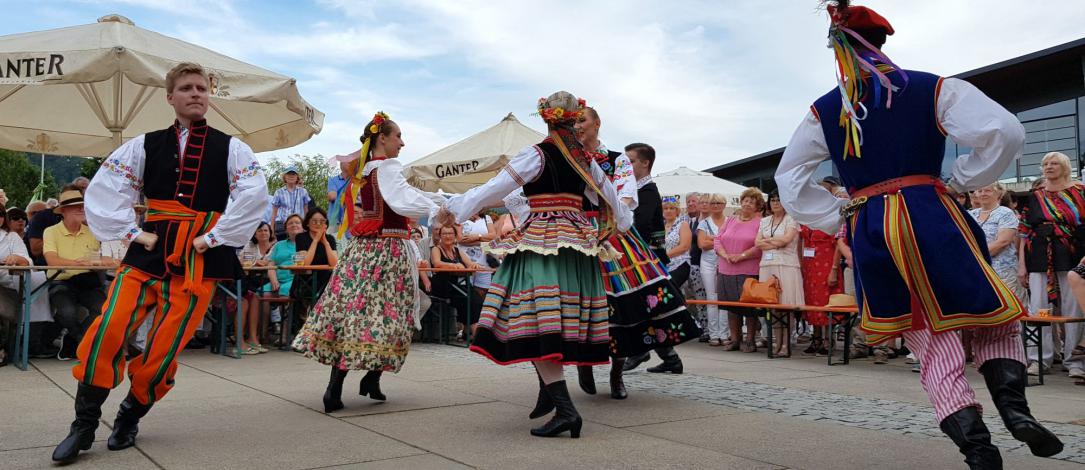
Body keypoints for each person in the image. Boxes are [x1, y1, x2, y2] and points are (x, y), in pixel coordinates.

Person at [774, 3, 1061, 467]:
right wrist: (961, 178)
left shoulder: (825, 110)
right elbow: (1007, 130)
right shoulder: (933, 88)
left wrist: (839, 217)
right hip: (934, 215)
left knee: (930, 342)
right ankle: (1016, 410)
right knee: (992, 317)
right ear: (882, 42)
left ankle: (978, 449)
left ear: (838, 50)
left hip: (871, 227)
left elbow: (789, 181)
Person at [52, 62, 267, 464]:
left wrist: (215, 237)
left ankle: (130, 415)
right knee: (108, 328)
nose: (197, 93)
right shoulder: (144, 144)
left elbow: (254, 195)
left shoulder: (232, 148)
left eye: (202, 88)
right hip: (149, 254)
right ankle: (82, 425)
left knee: (164, 350)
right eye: (187, 88)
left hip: (199, 259)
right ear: (170, 97)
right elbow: (105, 189)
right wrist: (133, 233)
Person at [437, 92, 632, 438]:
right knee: (553, 320)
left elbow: (495, 188)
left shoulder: (537, 154)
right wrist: (617, 223)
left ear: (546, 118)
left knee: (530, 316)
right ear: (573, 120)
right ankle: (550, 393)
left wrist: (457, 207)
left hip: (544, 241)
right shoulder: (584, 159)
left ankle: (566, 409)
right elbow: (617, 207)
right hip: (576, 243)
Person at [292, 111, 445, 413]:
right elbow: (404, 199)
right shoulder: (386, 168)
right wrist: (443, 206)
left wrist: (429, 210)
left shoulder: (367, 171)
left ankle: (357, 382)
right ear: (382, 138)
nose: (402, 142)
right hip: (386, 252)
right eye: (398, 135)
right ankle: (348, 383)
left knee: (359, 315)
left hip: (365, 250)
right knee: (390, 316)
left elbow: (397, 200)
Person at [619, 143, 700, 377]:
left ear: (645, 163)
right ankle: (670, 358)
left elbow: (639, 224)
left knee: (643, 305)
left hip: (645, 260)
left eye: (631, 161)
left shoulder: (648, 191)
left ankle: (640, 350)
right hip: (638, 258)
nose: (627, 166)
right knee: (648, 307)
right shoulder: (633, 190)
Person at [1019, 151, 1085, 378]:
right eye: (1045, 163)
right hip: (1038, 253)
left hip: (1072, 251)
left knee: (1072, 306)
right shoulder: (1035, 196)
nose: (1049, 166)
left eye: (1054, 163)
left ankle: (1074, 360)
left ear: (1065, 167)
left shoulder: (1080, 192)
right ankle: (1039, 358)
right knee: (1038, 307)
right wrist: (1022, 265)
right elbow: (1024, 232)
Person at [43, 190, 115, 360]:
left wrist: (95, 263)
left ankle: (74, 341)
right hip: (61, 281)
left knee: (104, 310)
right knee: (67, 312)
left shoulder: (93, 232)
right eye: (75, 207)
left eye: (83, 206)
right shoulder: (51, 231)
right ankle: (81, 341)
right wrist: (81, 263)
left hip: (87, 282)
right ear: (64, 211)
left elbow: (107, 259)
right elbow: (52, 260)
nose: (82, 209)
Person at [714, 188, 764, 352]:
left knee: (749, 307)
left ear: (757, 206)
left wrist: (741, 256)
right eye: (746, 200)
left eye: (752, 201)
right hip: (726, 267)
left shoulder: (760, 222)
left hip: (748, 268)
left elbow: (759, 246)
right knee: (731, 306)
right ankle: (735, 339)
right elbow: (718, 240)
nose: (747, 203)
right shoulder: (730, 220)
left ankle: (750, 340)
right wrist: (725, 254)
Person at [755, 191, 804, 357]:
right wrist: (775, 243)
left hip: (787, 265)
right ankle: (776, 342)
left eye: (779, 200)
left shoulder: (792, 219)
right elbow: (757, 243)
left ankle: (786, 344)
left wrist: (769, 242)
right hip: (767, 265)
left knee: (786, 306)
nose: (775, 203)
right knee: (773, 307)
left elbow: (786, 240)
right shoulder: (764, 221)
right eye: (773, 200)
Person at [429, 224, 484, 335]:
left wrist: (474, 266)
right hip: (442, 285)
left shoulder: (457, 250)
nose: (447, 236)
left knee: (477, 298)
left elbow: (469, 263)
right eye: (444, 234)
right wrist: (453, 265)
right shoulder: (436, 249)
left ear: (455, 236)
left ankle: (469, 330)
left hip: (456, 284)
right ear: (440, 236)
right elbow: (437, 263)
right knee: (466, 298)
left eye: (450, 233)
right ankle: (473, 332)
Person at [799, 221, 842, 356]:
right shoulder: (807, 218)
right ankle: (816, 338)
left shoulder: (831, 220)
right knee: (811, 301)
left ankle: (829, 339)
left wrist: (834, 269)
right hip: (810, 267)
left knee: (827, 301)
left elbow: (838, 246)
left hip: (826, 264)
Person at [237, 222, 275, 354]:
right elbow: (241, 260)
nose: (263, 233)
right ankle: (248, 338)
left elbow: (270, 263)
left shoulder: (275, 245)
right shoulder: (251, 245)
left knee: (255, 296)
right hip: (251, 280)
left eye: (266, 230)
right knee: (251, 296)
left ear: (270, 232)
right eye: (260, 231)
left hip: (267, 280)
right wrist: (256, 262)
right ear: (255, 233)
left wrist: (256, 262)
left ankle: (254, 337)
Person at [697, 193, 728, 346]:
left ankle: (724, 333)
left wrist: (713, 239)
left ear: (724, 205)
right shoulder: (704, 223)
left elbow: (732, 242)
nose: (716, 205)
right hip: (708, 263)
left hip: (725, 262)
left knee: (724, 298)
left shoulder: (730, 221)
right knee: (712, 298)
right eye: (713, 203)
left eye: (718, 203)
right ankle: (714, 333)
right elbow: (702, 244)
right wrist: (720, 241)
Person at [293, 207, 338, 302]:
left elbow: (334, 264)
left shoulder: (330, 239)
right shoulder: (300, 237)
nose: (318, 224)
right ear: (308, 223)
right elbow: (305, 263)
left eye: (322, 221)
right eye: (314, 221)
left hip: (326, 280)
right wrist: (316, 240)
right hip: (306, 280)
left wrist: (325, 242)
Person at [271, 166, 311, 239]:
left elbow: (306, 211)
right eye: (288, 174)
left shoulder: (303, 191)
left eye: (293, 174)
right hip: (282, 226)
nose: (291, 176)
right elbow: (274, 213)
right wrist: (271, 229)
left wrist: (307, 225)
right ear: (284, 177)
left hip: (298, 225)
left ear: (297, 177)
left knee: (299, 246)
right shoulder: (278, 192)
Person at [662, 196, 692, 287]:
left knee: (669, 288)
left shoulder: (683, 224)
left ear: (677, 211)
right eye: (665, 208)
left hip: (680, 263)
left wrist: (664, 256)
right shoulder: (660, 227)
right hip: (663, 265)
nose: (668, 211)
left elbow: (684, 247)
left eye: (672, 208)